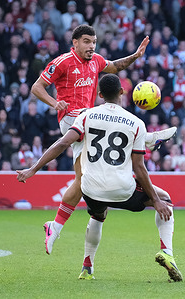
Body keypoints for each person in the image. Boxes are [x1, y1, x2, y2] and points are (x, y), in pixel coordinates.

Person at [17, 74, 182, 282]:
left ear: (100, 95)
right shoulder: (136, 123)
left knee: (97, 215)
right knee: (165, 198)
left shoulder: (86, 116)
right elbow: (139, 168)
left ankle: (87, 267)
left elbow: (61, 144)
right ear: (122, 92)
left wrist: (33, 169)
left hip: (90, 189)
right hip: (122, 190)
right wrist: (156, 202)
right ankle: (166, 251)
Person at [31, 24, 176, 255]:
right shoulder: (61, 62)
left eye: (94, 42)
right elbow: (36, 87)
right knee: (109, 126)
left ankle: (55, 227)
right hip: (72, 119)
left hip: (89, 121)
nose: (91, 46)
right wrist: (53, 102)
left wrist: (136, 56)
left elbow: (115, 66)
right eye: (87, 41)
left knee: (81, 180)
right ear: (75, 42)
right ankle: (147, 139)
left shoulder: (96, 61)